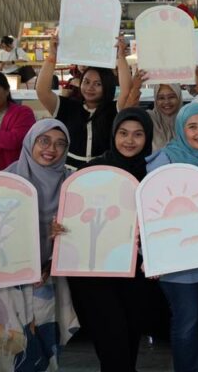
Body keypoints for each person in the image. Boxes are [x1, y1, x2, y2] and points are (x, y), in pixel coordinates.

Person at [0, 119, 77, 372]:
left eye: (60, 144)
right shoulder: (7, 179)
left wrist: (62, 237)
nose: (51, 149)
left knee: (45, 342)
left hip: (48, 277)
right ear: (30, 141)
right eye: (44, 140)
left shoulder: (71, 182)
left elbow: (81, 231)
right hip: (7, 280)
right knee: (12, 345)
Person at [66, 109, 152, 372]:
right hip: (96, 273)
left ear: (148, 137)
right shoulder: (93, 169)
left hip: (134, 270)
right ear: (114, 134)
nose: (130, 140)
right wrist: (62, 226)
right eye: (123, 133)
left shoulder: (151, 173)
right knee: (111, 336)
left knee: (130, 330)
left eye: (138, 134)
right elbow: (74, 213)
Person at [146, 103, 198, 372]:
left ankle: (193, 365)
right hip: (176, 257)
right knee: (187, 319)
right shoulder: (166, 159)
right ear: (181, 130)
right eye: (192, 127)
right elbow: (152, 207)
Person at [36, 34, 120, 170]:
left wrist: (121, 58)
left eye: (98, 84)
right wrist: (52, 56)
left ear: (107, 86)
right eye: (86, 82)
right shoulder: (67, 107)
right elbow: (42, 91)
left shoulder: (113, 109)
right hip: (69, 174)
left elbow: (127, 92)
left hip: (103, 173)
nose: (90, 88)